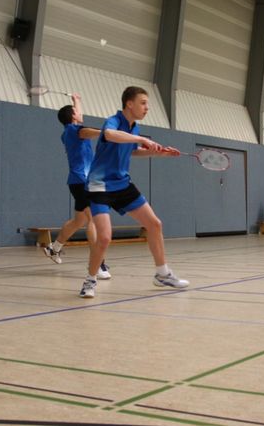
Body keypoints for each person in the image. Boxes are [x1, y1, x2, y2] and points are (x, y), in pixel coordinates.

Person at [80, 86, 189, 299]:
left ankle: (162, 274)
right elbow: (110, 135)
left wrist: (159, 154)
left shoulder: (134, 127)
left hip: (122, 184)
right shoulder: (113, 121)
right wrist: (141, 139)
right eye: (143, 103)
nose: (147, 108)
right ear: (129, 104)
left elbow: (132, 151)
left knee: (154, 224)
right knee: (104, 237)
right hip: (100, 185)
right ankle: (90, 280)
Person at [43, 94, 111, 280]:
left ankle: (54, 248)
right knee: (94, 220)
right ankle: (97, 263)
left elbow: (81, 120)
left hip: (78, 181)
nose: (80, 114)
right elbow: (91, 132)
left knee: (79, 221)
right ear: (73, 116)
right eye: (77, 111)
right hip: (83, 181)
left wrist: (76, 100)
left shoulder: (68, 131)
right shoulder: (76, 131)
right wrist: (109, 133)